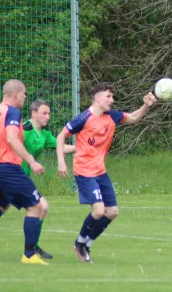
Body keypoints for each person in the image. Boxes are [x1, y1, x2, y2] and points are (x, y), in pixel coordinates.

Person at [57, 82, 156, 263]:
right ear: (97, 97)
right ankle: (79, 243)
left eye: (112, 96)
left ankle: (87, 244)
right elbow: (61, 136)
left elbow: (133, 118)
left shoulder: (111, 116)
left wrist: (146, 106)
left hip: (100, 171)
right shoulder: (83, 118)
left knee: (112, 212)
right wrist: (61, 163)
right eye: (108, 96)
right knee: (98, 211)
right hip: (84, 171)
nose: (112, 100)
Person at [0, 99, 75, 259]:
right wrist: (28, 161)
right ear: (33, 113)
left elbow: (60, 147)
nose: (48, 117)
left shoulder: (44, 134)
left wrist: (82, 148)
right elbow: (10, 140)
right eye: (44, 113)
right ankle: (32, 249)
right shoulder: (25, 129)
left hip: (7, 174)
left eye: (49, 113)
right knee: (41, 206)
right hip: (11, 174)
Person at [0, 79, 49, 265]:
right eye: (24, 93)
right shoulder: (13, 111)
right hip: (6, 166)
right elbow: (11, 138)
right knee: (36, 206)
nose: (25, 97)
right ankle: (29, 255)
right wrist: (31, 161)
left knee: (0, 203)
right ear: (16, 94)